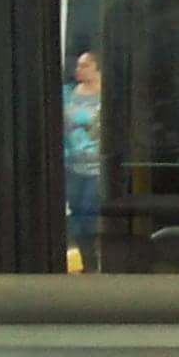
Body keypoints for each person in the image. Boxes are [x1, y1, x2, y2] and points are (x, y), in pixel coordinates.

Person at [62, 49, 101, 264]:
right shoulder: (67, 93)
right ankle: (85, 259)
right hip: (72, 163)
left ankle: (94, 256)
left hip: (97, 167)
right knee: (75, 211)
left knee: (89, 210)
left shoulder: (106, 95)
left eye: (85, 65)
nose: (79, 69)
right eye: (78, 65)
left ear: (97, 69)